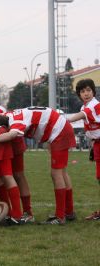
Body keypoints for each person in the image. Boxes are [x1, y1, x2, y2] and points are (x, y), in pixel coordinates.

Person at [0, 107, 76, 225]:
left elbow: (11, 135)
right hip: (58, 128)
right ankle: (68, 212)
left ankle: (60, 216)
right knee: (61, 172)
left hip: (59, 131)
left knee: (56, 173)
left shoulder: (15, 122)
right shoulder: (4, 117)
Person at [67, 78, 100, 220]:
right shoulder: (85, 107)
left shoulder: (93, 105)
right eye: (82, 91)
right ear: (79, 94)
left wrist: (64, 119)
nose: (86, 93)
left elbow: (82, 115)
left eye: (88, 90)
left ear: (93, 91)